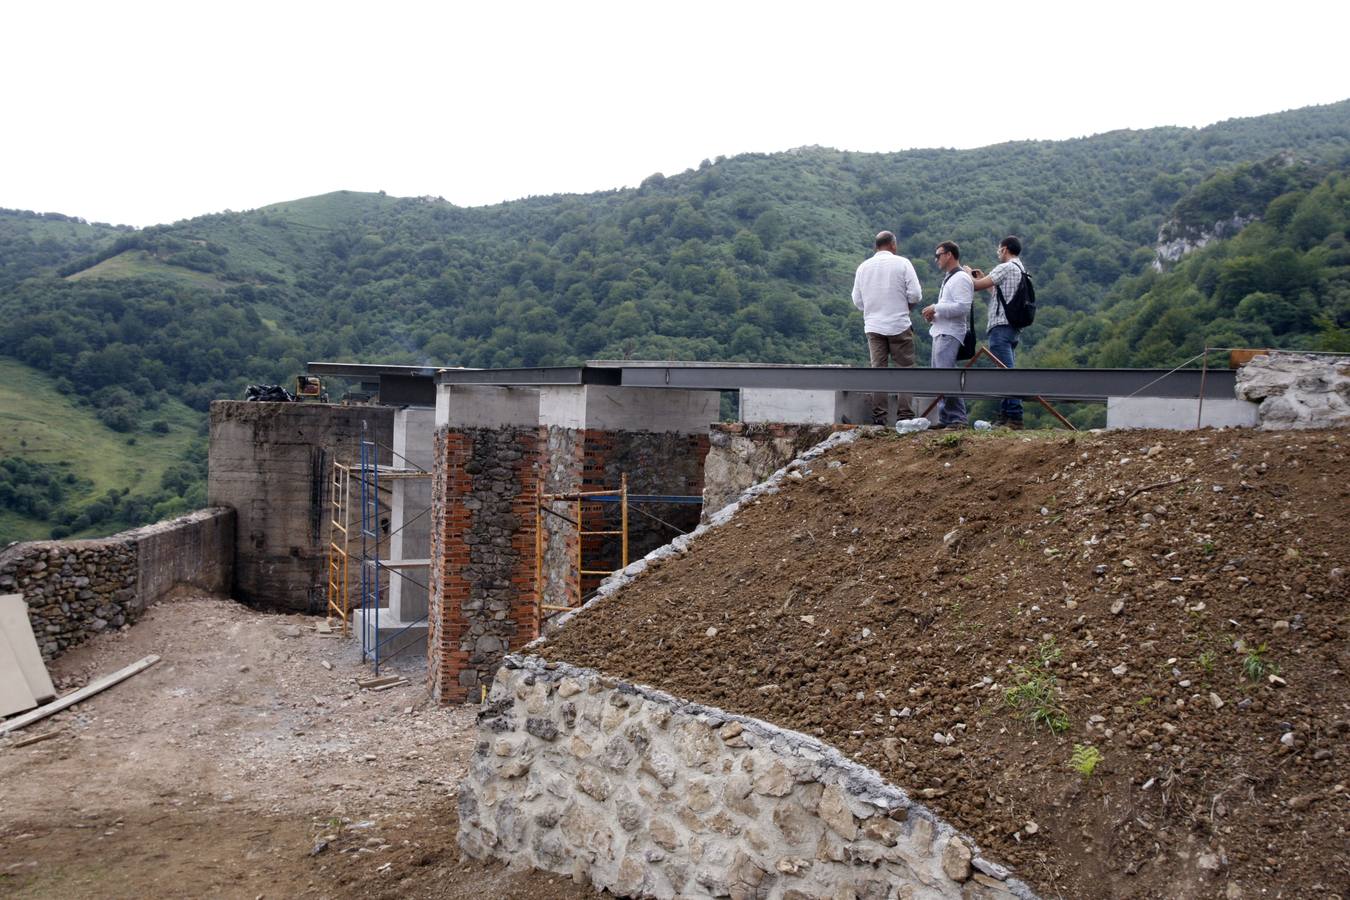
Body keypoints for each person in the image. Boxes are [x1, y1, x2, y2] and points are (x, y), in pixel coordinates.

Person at [852, 231, 922, 424]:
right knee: (905, 369)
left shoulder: (863, 267)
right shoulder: (903, 263)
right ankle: (905, 416)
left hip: (873, 326)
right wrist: (905, 308)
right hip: (899, 324)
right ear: (893, 245)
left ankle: (879, 418)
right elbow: (915, 295)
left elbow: (857, 301)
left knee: (878, 371)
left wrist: (874, 310)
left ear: (876, 247)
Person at [968, 235, 1028, 429]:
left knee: (1006, 373)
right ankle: (1004, 416)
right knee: (1004, 369)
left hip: (1000, 326)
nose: (997, 253)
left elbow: (976, 286)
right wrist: (983, 276)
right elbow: (996, 293)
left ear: (1005, 249)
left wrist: (968, 274)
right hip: (1012, 327)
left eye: (998, 249)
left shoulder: (1005, 267)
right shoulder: (1020, 268)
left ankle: (1015, 417)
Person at [920, 241, 972, 429]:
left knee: (946, 374)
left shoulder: (960, 278)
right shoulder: (951, 278)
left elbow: (963, 307)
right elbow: (953, 306)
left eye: (938, 255)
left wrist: (936, 307)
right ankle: (947, 418)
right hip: (942, 331)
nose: (936, 260)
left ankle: (957, 419)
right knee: (940, 375)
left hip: (950, 333)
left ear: (949, 254)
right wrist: (935, 315)